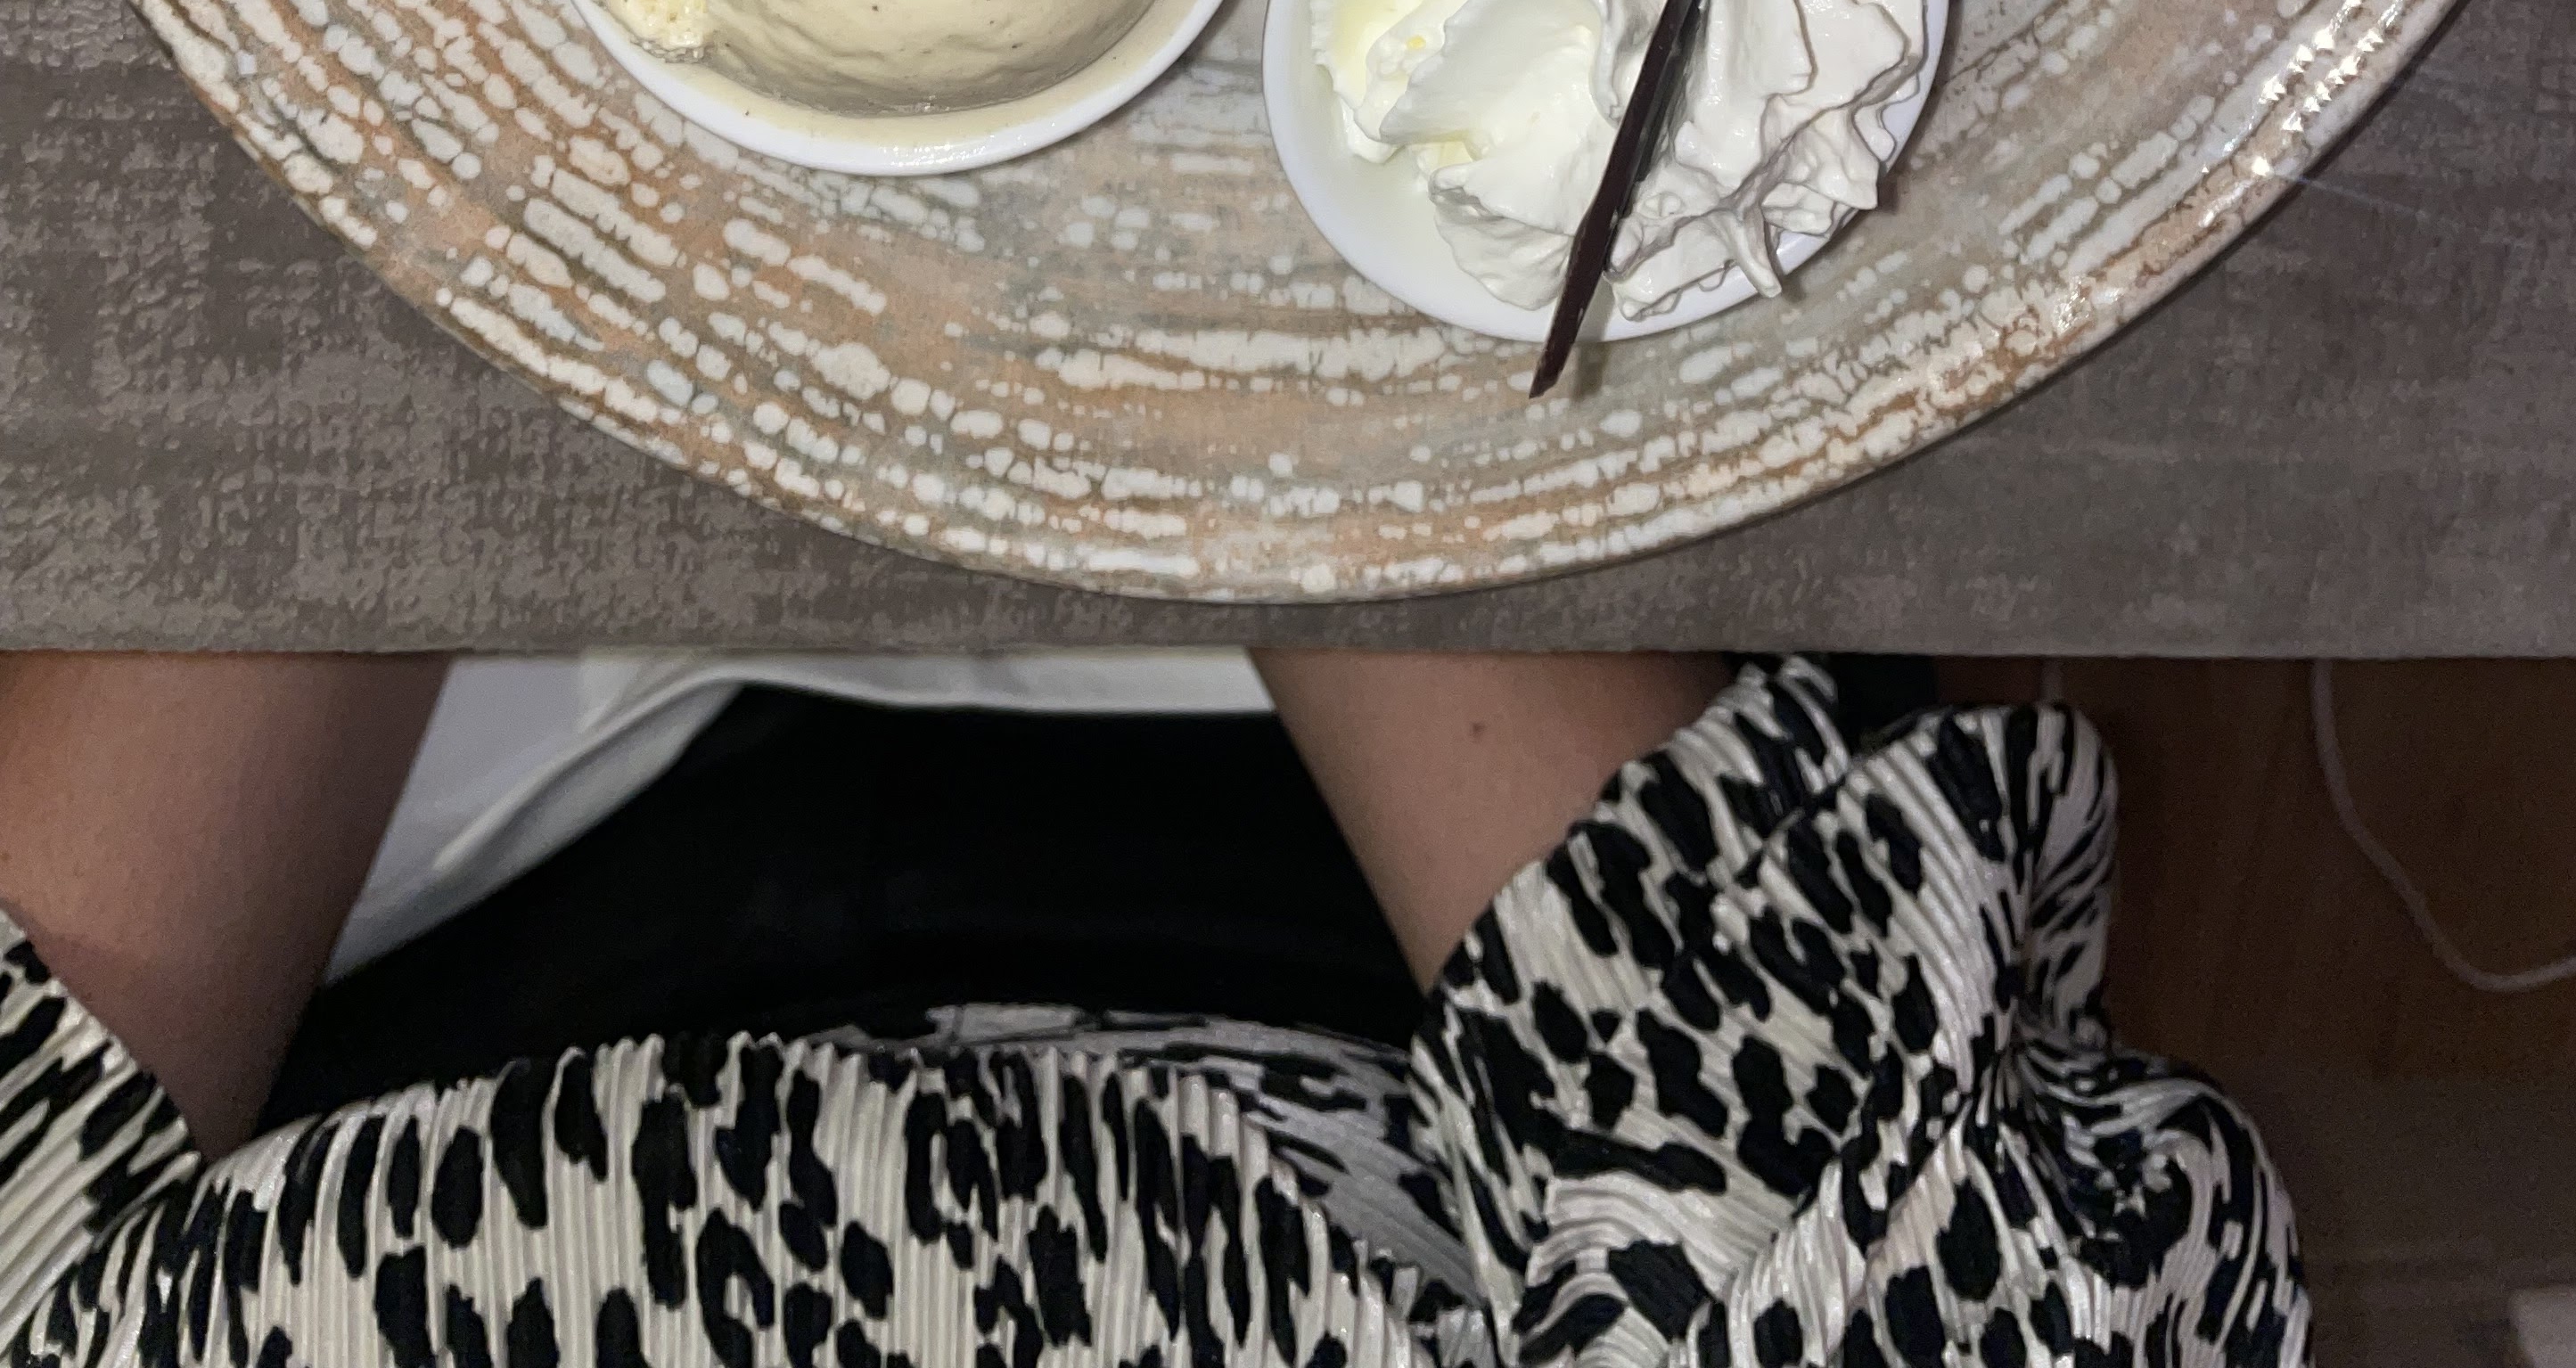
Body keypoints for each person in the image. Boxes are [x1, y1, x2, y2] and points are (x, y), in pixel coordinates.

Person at [0, 646, 2302, 1364]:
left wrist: (448, 233)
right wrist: (1234, 368)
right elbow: (1914, 1259)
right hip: (1417, 868)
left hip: (350, 881)